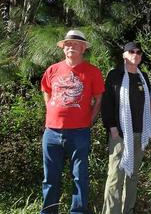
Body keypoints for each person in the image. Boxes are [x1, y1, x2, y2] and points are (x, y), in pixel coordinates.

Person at [40, 30, 104, 214]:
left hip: (79, 133)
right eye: (68, 44)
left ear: (83, 49)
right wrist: (51, 109)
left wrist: (89, 121)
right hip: (51, 132)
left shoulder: (92, 72)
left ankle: (78, 211)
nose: (71, 47)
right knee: (50, 177)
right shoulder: (52, 69)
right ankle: (49, 211)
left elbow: (98, 100)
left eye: (76, 44)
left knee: (80, 176)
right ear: (63, 48)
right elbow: (46, 90)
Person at [101, 42, 151, 214]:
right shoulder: (114, 75)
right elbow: (107, 103)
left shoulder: (143, 77)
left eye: (139, 52)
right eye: (132, 51)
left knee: (132, 176)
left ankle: (128, 210)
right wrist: (112, 127)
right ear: (124, 55)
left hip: (139, 133)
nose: (136, 54)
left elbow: (147, 105)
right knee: (116, 176)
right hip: (120, 134)